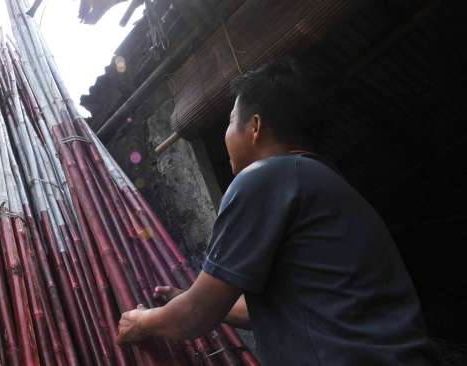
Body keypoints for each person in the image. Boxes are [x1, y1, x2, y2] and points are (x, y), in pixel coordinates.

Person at [116, 58, 443, 365]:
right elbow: (271, 310)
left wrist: (141, 321)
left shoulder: (265, 178)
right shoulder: (323, 183)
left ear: (255, 126)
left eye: (230, 121)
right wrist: (189, 297)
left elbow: (193, 318)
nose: (226, 134)